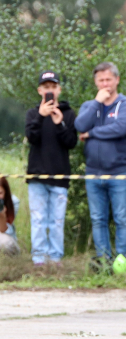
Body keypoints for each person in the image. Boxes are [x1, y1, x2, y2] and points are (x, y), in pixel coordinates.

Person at [74, 62, 126, 260]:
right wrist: (96, 103)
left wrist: (91, 133)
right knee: (97, 219)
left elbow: (121, 128)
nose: (105, 84)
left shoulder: (125, 104)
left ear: (117, 80)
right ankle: (103, 261)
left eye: (108, 79)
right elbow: (80, 124)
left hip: (119, 171)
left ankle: (121, 260)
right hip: (93, 172)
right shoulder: (89, 106)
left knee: (122, 219)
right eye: (101, 80)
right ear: (95, 82)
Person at [24, 71, 77, 265]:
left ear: (59, 89)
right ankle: (39, 259)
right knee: (38, 219)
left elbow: (71, 142)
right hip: (37, 176)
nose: (50, 91)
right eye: (46, 87)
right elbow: (31, 137)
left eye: (53, 87)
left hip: (60, 175)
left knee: (56, 221)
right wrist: (41, 116)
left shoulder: (68, 113)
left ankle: (55, 259)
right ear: (40, 90)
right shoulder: (32, 113)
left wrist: (59, 123)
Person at [0, 177, 20, 255]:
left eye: (0, 193)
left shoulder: (13, 202)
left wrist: (2, 216)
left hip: (5, 237)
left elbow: (3, 230)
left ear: (6, 192)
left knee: (6, 244)